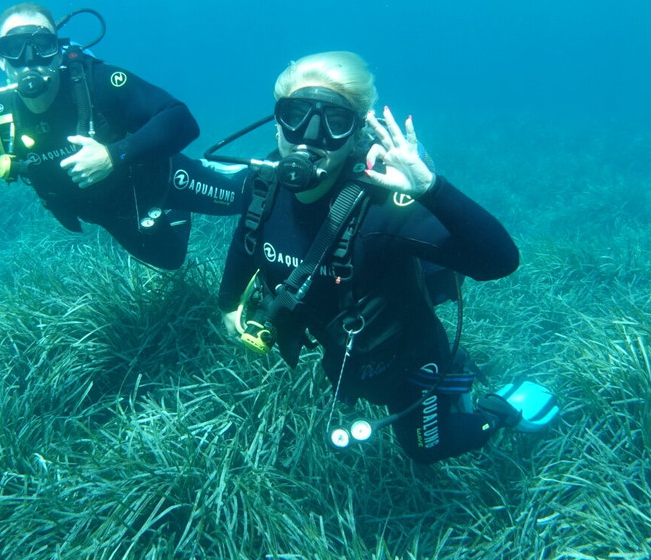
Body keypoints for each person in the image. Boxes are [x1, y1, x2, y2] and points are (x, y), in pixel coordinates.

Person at [217, 51, 558, 464]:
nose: (310, 136)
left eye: (335, 122)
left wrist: (430, 190)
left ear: (356, 134)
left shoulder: (382, 210)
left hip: (408, 359)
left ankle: (499, 412)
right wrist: (228, 302)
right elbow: (246, 239)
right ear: (277, 123)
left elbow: (499, 261)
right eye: (296, 115)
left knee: (427, 449)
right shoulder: (262, 184)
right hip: (342, 347)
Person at [0, 2, 247, 269]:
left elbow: (181, 120)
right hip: (110, 212)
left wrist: (113, 155)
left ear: (59, 50)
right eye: (14, 49)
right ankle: (175, 213)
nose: (29, 61)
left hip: (162, 177)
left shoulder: (97, 84)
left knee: (245, 199)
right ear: (1, 59)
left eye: (42, 46)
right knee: (171, 259)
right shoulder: (0, 116)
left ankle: (211, 172)